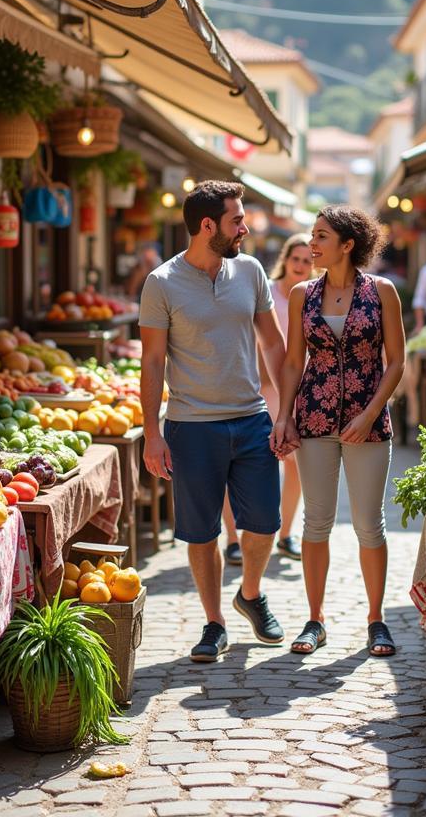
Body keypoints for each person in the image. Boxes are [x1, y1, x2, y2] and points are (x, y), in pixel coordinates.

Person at [139, 181, 288, 662]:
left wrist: (286, 411)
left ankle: (249, 593)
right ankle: (214, 622)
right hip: (192, 425)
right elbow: (152, 361)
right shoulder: (161, 283)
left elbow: (273, 344)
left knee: (265, 522)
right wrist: (152, 434)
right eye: (237, 220)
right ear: (208, 226)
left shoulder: (250, 270)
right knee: (201, 531)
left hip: (251, 419)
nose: (245, 228)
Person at [271, 207, 406, 657]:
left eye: (321, 236)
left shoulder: (382, 292)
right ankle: (315, 619)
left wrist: (370, 414)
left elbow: (396, 361)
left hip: (367, 420)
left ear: (348, 245)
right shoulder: (301, 295)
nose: (312, 244)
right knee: (316, 522)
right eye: (312, 236)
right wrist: (284, 416)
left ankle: (376, 619)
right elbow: (294, 362)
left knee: (370, 524)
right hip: (313, 416)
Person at [223, 232, 312, 566]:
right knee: (242, 463)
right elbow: (253, 337)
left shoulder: (313, 296)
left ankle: (286, 534)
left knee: (294, 464)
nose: (301, 265)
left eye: (307, 260)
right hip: (261, 388)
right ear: (285, 259)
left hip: (298, 389)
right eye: (296, 258)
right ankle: (233, 539)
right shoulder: (266, 291)